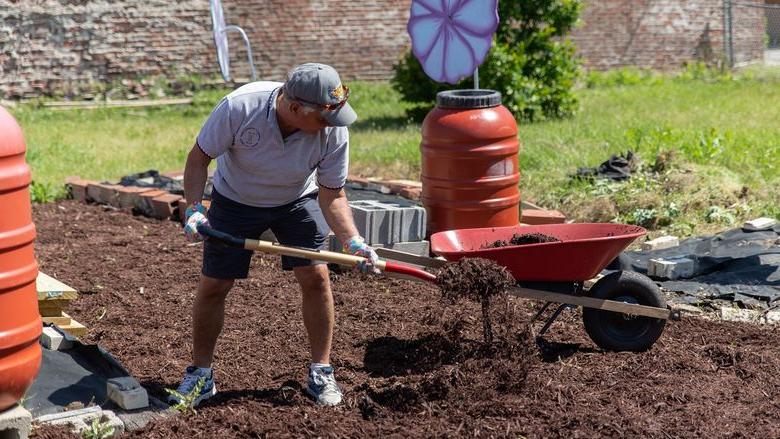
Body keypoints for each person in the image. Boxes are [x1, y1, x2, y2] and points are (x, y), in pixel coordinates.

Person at [170, 63, 379, 407]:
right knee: (215, 284)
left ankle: (321, 372)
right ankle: (200, 376)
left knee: (316, 277)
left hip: (297, 200)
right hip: (235, 199)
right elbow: (198, 158)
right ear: (296, 108)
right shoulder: (240, 107)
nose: (332, 125)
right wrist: (194, 208)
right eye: (325, 118)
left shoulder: (333, 128)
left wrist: (352, 240)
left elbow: (332, 193)